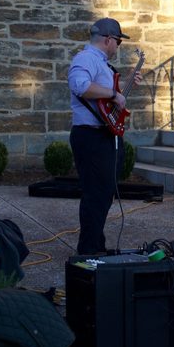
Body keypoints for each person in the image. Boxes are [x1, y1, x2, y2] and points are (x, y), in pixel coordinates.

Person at [68, 18, 141, 255]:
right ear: (108, 40)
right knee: (95, 194)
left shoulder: (102, 64)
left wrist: (123, 87)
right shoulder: (86, 58)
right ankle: (88, 250)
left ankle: (96, 245)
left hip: (103, 135)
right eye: (118, 42)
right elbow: (80, 85)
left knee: (103, 193)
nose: (118, 47)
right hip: (91, 136)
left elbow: (106, 100)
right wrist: (113, 93)